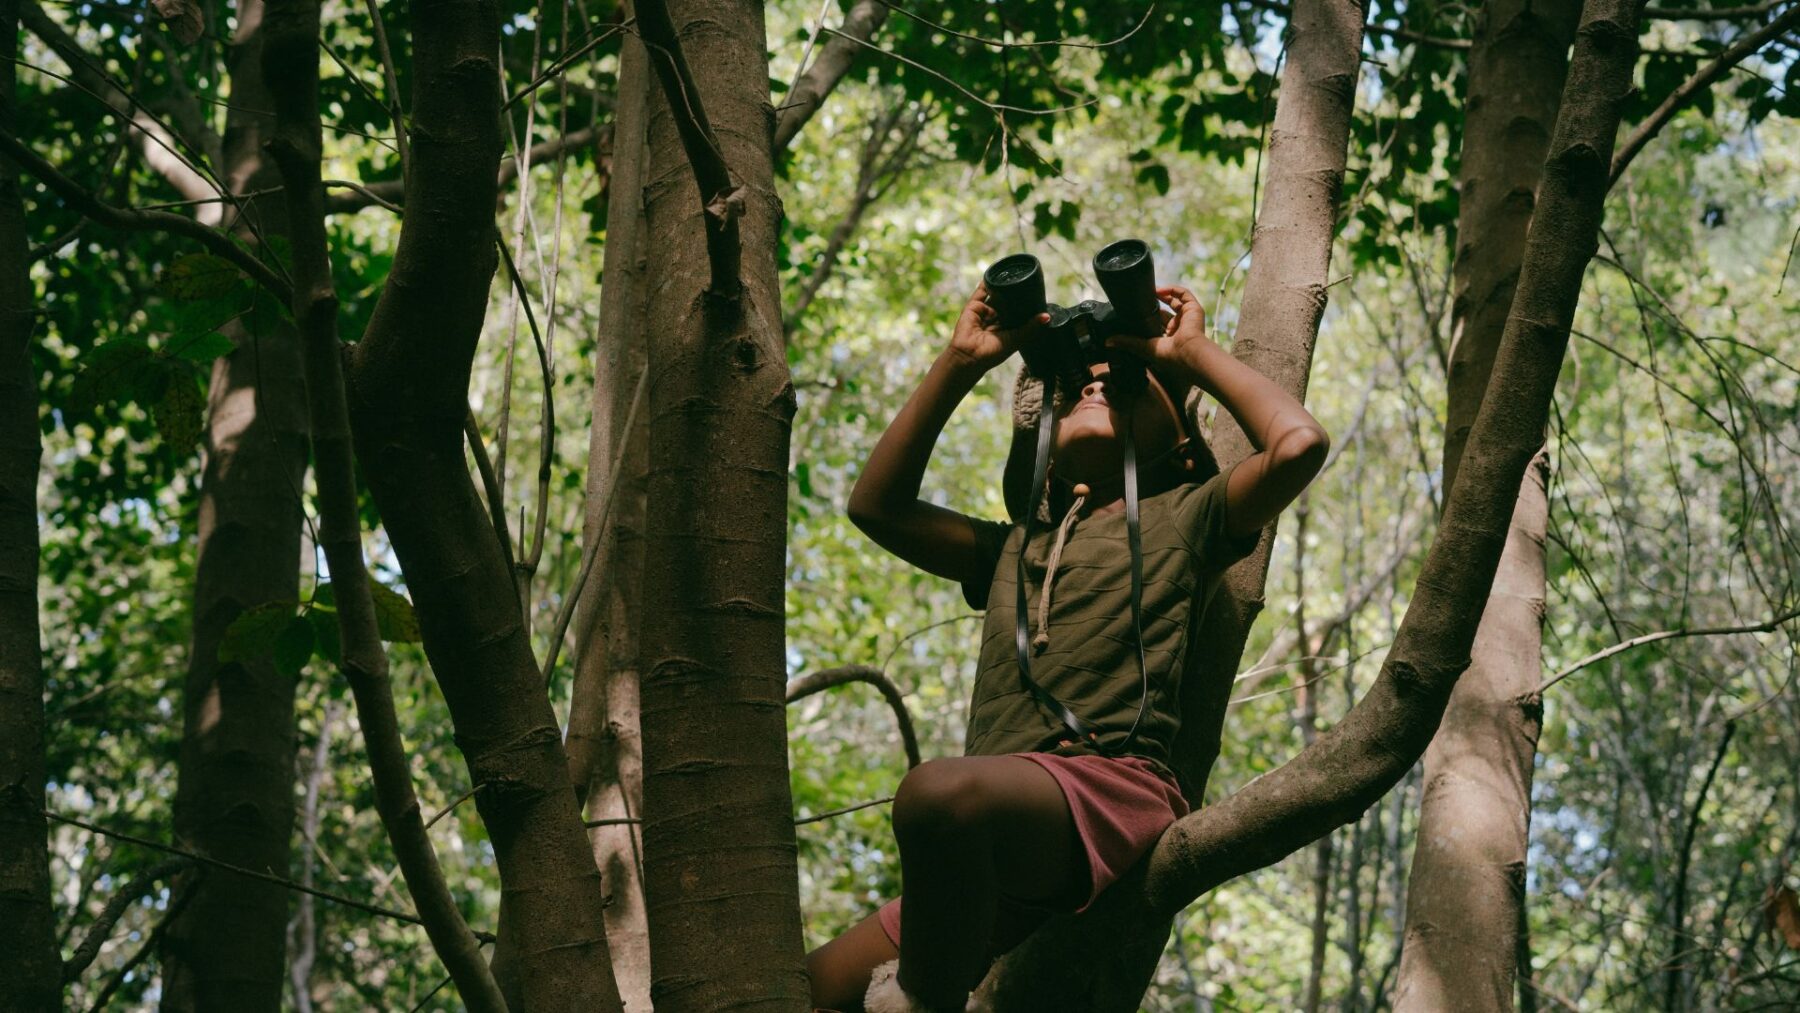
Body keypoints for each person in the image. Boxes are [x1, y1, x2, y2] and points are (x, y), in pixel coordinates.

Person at [808, 279, 1330, 1012]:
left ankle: (920, 1004)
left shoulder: (1185, 515)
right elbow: (876, 506)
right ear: (1043, 453)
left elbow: (1299, 445)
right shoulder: (1013, 547)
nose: (1093, 387)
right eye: (1074, 388)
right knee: (798, 987)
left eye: (1120, 382)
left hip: (1104, 800)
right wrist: (961, 361)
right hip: (996, 841)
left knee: (935, 794)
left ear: (1182, 443)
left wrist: (1188, 352)